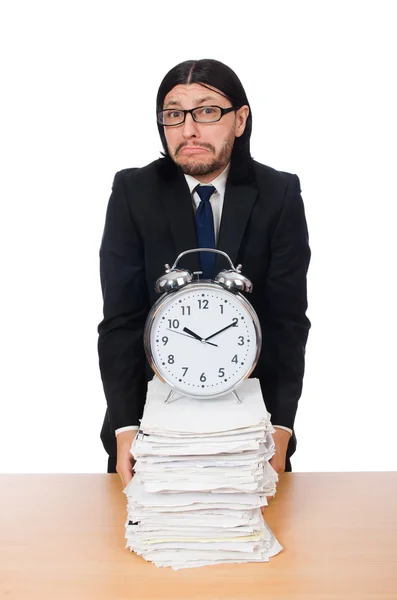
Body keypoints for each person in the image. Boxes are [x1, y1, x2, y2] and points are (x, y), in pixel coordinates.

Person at [97, 58, 311, 489]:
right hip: (150, 425)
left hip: (254, 423)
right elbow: (120, 321)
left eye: (207, 111)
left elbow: (288, 322)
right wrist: (125, 428)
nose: (189, 130)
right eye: (174, 114)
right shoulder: (132, 192)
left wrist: (281, 429)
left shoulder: (279, 194)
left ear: (240, 119)